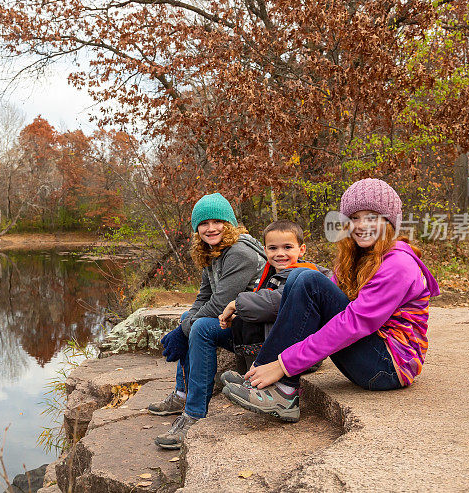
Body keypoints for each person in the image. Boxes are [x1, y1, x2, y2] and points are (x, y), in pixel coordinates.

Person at [223, 178, 440, 422]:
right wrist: (267, 363)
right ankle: (259, 377)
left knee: (309, 280)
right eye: (355, 218)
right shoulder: (355, 257)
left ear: (389, 222)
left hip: (388, 366)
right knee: (301, 276)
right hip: (370, 354)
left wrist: (283, 365)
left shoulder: (399, 264)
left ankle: (283, 391)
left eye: (372, 217)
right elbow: (305, 307)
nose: (361, 225)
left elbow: (352, 323)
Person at [149, 193, 266, 449]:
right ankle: (182, 395)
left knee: (199, 327)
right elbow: (203, 297)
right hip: (236, 322)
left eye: (217, 221)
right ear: (196, 228)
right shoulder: (213, 252)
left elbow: (219, 304)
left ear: (230, 223)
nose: (211, 228)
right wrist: (184, 323)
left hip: (257, 331)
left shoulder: (240, 253)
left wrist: (183, 330)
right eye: (204, 223)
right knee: (188, 318)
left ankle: (194, 415)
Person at [218, 220, 331, 378]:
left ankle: (255, 375)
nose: (280, 253)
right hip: (278, 342)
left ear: (301, 250)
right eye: (273, 248)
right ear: (265, 250)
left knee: (249, 313)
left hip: (300, 350)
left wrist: (236, 304)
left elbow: (280, 301)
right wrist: (239, 314)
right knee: (242, 321)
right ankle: (248, 373)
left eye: (287, 247)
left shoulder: (304, 274)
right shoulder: (270, 275)